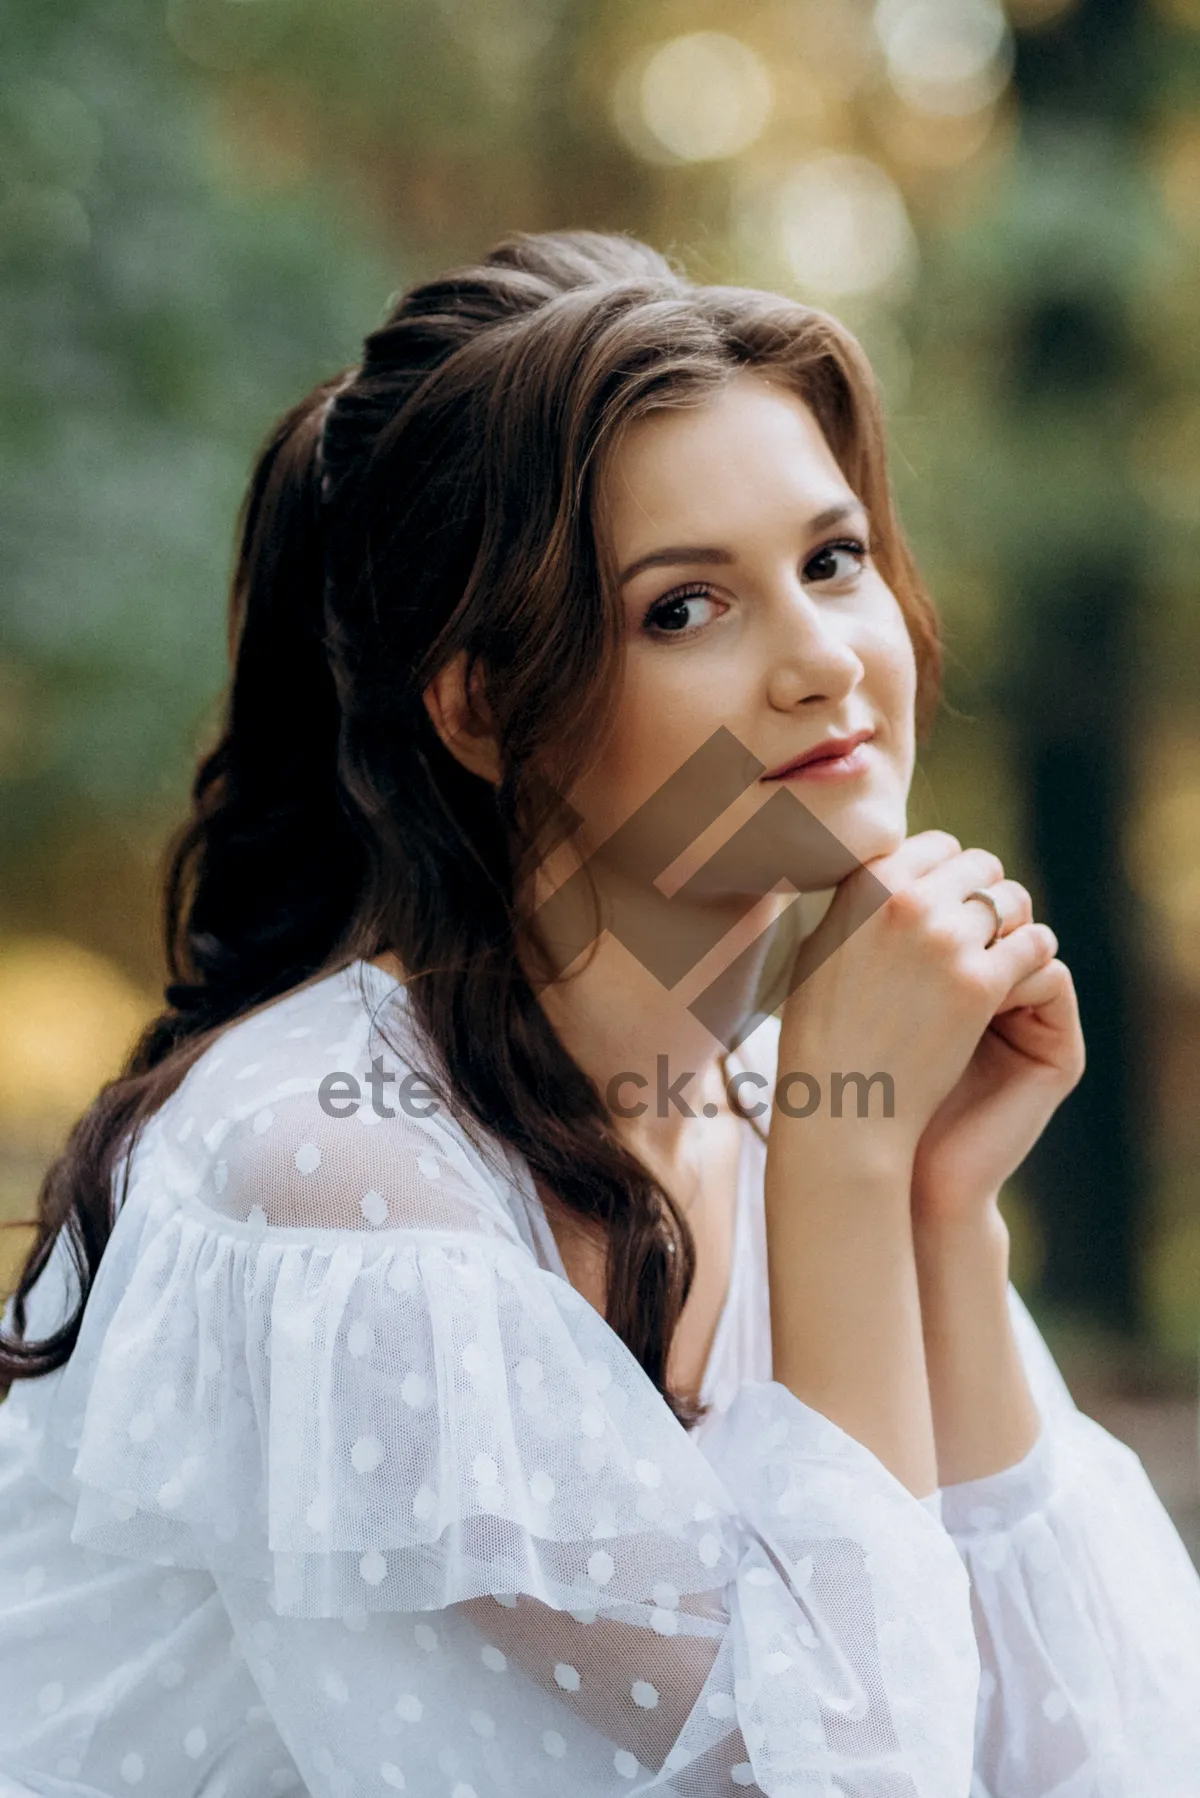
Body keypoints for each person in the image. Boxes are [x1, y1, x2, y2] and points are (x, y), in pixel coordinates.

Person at [1, 229, 1198, 1798]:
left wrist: (936, 1206)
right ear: (484, 707)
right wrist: (841, 1179)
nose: (824, 660)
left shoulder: (780, 1106)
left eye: (832, 560)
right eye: (685, 609)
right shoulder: (328, 1187)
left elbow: (1105, 1750)